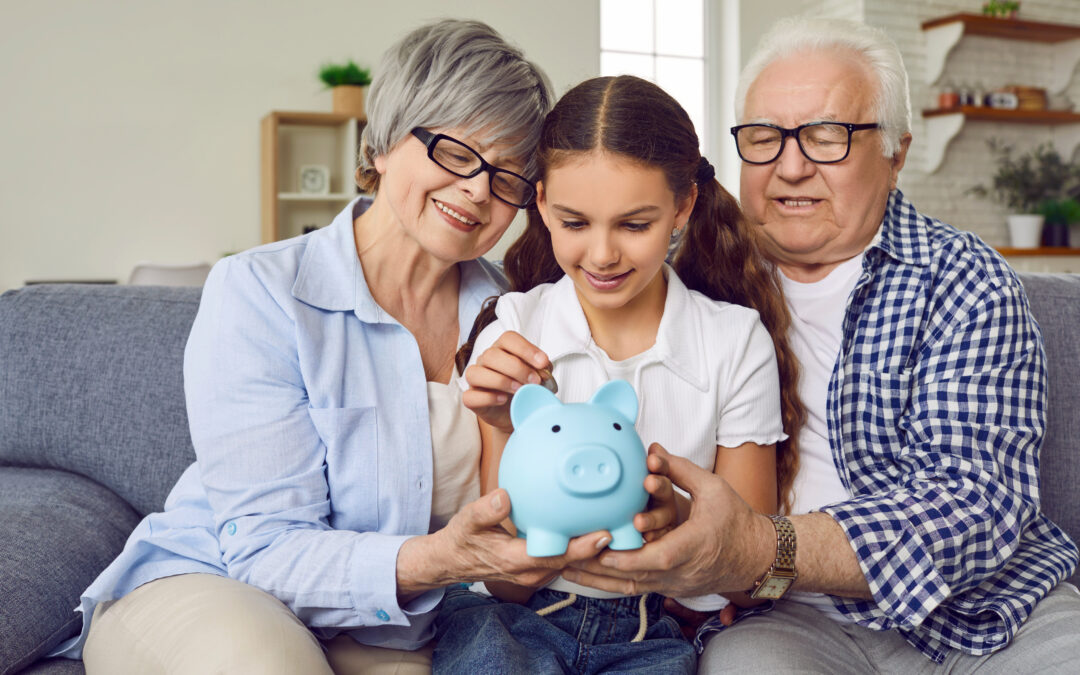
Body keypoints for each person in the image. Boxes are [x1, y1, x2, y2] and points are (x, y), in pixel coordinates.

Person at [50, 19, 643, 675]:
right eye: (454, 151)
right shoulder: (262, 290)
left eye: (507, 175)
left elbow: (540, 498)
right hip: (214, 587)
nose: (478, 188)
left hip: (399, 626)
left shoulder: (522, 313)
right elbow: (266, 549)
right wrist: (447, 557)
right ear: (387, 142)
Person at [560, 17, 1080, 673]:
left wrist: (760, 546)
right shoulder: (683, 282)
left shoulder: (964, 282)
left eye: (828, 135)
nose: (792, 166)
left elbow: (972, 504)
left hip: (992, 612)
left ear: (896, 152)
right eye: (765, 137)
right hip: (787, 615)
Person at [431, 74, 804, 674]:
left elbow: (746, 577)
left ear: (683, 206)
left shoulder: (734, 343)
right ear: (543, 202)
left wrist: (681, 521)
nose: (602, 255)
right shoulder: (514, 328)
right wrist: (503, 427)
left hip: (649, 626)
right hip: (516, 619)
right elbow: (505, 585)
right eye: (576, 223)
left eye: (635, 225)